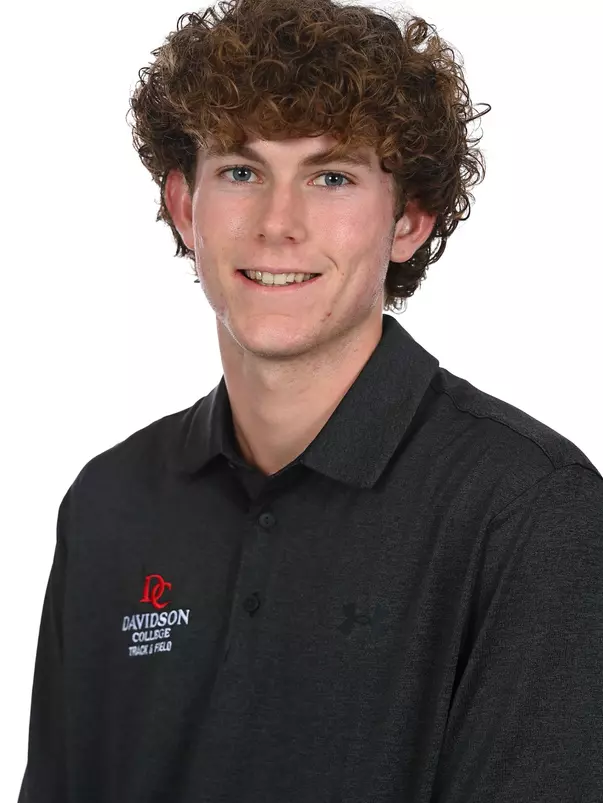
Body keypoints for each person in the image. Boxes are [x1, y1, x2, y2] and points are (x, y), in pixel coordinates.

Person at [18, 0, 603, 800]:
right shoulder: (107, 502)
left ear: (408, 220)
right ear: (186, 207)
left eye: (331, 176)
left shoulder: (528, 510)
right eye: (240, 171)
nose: (278, 224)